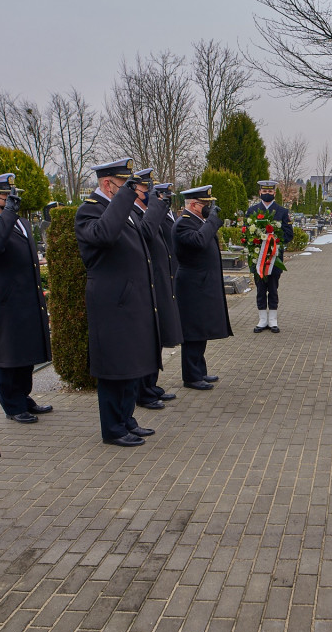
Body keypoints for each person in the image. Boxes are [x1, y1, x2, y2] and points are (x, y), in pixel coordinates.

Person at [75, 159, 160, 447]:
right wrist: (125, 197)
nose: (131, 191)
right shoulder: (89, 211)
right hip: (112, 303)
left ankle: (126, 419)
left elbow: (145, 237)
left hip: (131, 300)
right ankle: (113, 428)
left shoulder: (124, 209)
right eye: (125, 185)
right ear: (107, 184)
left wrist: (156, 204)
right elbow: (105, 234)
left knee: (130, 365)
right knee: (114, 368)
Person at [0, 174, 53, 424]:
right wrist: (8, 215)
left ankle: (23, 397)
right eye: (6, 196)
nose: (12, 199)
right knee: (9, 352)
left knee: (26, 351)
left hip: (27, 295)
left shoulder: (21, 222)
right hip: (6, 298)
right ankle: (12, 405)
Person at [174, 185, 232, 390]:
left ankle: (200, 370)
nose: (208, 208)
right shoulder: (183, 223)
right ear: (193, 205)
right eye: (205, 204)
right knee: (193, 332)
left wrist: (209, 222)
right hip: (192, 285)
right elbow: (198, 241)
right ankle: (191, 376)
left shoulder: (198, 222)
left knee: (202, 330)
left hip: (202, 284)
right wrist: (212, 221)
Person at [134, 171, 181, 410]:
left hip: (160, 281)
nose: (151, 194)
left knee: (157, 338)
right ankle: (142, 390)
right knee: (147, 341)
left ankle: (150, 384)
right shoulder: (136, 215)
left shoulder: (146, 212)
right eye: (147, 190)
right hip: (147, 285)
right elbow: (146, 234)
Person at [246, 180, 293, 333]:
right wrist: (256, 241)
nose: (267, 193)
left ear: (274, 193)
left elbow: (289, 234)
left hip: (274, 258)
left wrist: (275, 240)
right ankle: (262, 319)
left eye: (270, 191)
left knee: (273, 288)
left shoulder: (282, 212)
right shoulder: (252, 211)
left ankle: (272, 319)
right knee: (260, 289)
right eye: (264, 191)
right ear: (260, 192)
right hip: (257, 258)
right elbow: (246, 233)